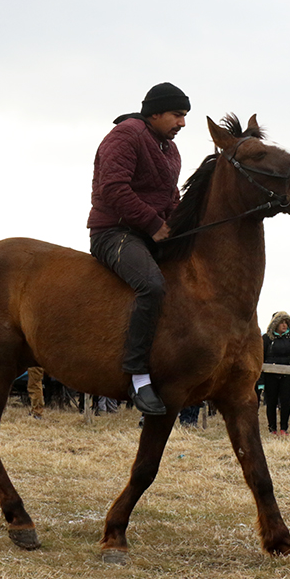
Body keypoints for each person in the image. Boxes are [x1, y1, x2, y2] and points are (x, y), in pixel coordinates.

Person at [87, 82, 189, 416]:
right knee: (152, 284)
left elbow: (170, 198)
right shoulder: (126, 135)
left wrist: (178, 226)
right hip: (113, 233)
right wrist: (153, 224)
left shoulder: (169, 150)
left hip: (147, 234)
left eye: (184, 116)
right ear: (155, 112)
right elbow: (113, 188)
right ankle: (138, 377)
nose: (182, 123)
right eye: (177, 115)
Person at [262, 312, 290, 436]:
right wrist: (260, 380)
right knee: (271, 402)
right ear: (275, 324)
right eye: (281, 322)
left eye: (286, 322)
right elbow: (261, 358)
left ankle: (284, 429)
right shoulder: (267, 339)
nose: (284, 325)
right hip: (270, 375)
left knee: (286, 402)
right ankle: (272, 429)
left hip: (288, 376)